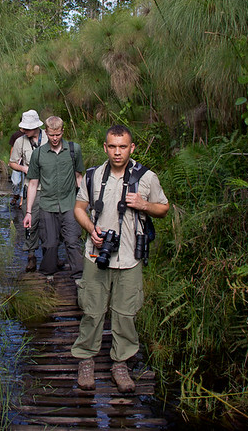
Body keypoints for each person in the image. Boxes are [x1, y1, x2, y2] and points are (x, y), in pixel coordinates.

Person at [71, 125, 169, 393]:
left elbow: (163, 208)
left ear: (131, 148)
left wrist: (144, 205)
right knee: (91, 311)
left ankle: (120, 363)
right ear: (105, 148)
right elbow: (79, 208)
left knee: (126, 314)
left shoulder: (146, 178)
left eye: (123, 147)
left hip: (130, 258)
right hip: (96, 255)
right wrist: (91, 229)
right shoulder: (92, 176)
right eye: (112, 147)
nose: (117, 152)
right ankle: (86, 360)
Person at [23, 116, 84, 280]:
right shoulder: (38, 154)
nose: (55, 138)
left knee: (72, 241)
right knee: (50, 244)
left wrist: (85, 206)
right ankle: (48, 277)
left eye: (58, 135)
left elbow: (79, 178)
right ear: (46, 132)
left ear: (63, 131)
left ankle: (79, 279)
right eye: (51, 135)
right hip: (47, 205)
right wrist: (29, 212)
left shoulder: (74, 150)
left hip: (69, 204)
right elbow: (33, 184)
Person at [10, 110, 46, 271]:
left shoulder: (48, 138)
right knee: (30, 223)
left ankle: (50, 255)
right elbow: (12, 163)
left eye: (27, 128)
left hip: (49, 188)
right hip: (30, 188)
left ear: (36, 126)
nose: (24, 130)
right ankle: (31, 256)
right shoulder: (20, 141)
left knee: (50, 223)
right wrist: (24, 168)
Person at [9, 127, 27, 207]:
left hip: (26, 163)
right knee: (15, 182)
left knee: (25, 183)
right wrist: (11, 160)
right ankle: (16, 195)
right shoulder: (16, 135)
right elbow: (12, 148)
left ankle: (22, 200)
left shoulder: (31, 134)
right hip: (17, 162)